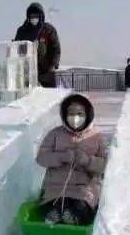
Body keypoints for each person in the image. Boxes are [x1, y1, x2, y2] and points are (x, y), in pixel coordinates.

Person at [36, 93, 108, 226]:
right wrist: (60, 157)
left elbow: (105, 166)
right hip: (55, 189)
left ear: (88, 115)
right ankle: (54, 216)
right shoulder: (55, 134)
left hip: (84, 191)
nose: (75, 118)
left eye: (80, 114)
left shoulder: (96, 137)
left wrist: (87, 161)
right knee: (53, 205)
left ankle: (73, 217)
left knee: (80, 207)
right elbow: (41, 158)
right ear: (64, 115)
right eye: (71, 113)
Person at [14, 2, 61, 88]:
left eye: (36, 16)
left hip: (46, 73)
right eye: (32, 16)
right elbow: (16, 48)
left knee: (47, 98)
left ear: (41, 16)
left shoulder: (48, 29)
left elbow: (56, 49)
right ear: (28, 16)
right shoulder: (22, 31)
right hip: (27, 74)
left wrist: (53, 66)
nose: (34, 18)